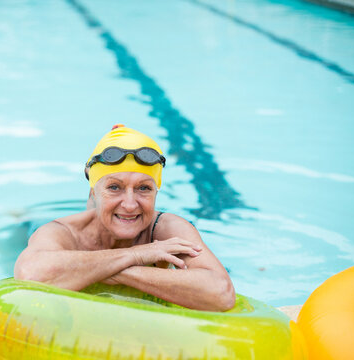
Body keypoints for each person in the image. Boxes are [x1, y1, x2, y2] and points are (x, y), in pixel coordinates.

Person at [14, 125, 235, 311]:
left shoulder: (167, 228)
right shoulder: (63, 232)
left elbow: (221, 293)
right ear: (93, 192)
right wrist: (137, 254)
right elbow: (30, 273)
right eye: (114, 187)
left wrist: (111, 270)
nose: (130, 204)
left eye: (144, 188)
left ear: (156, 193)